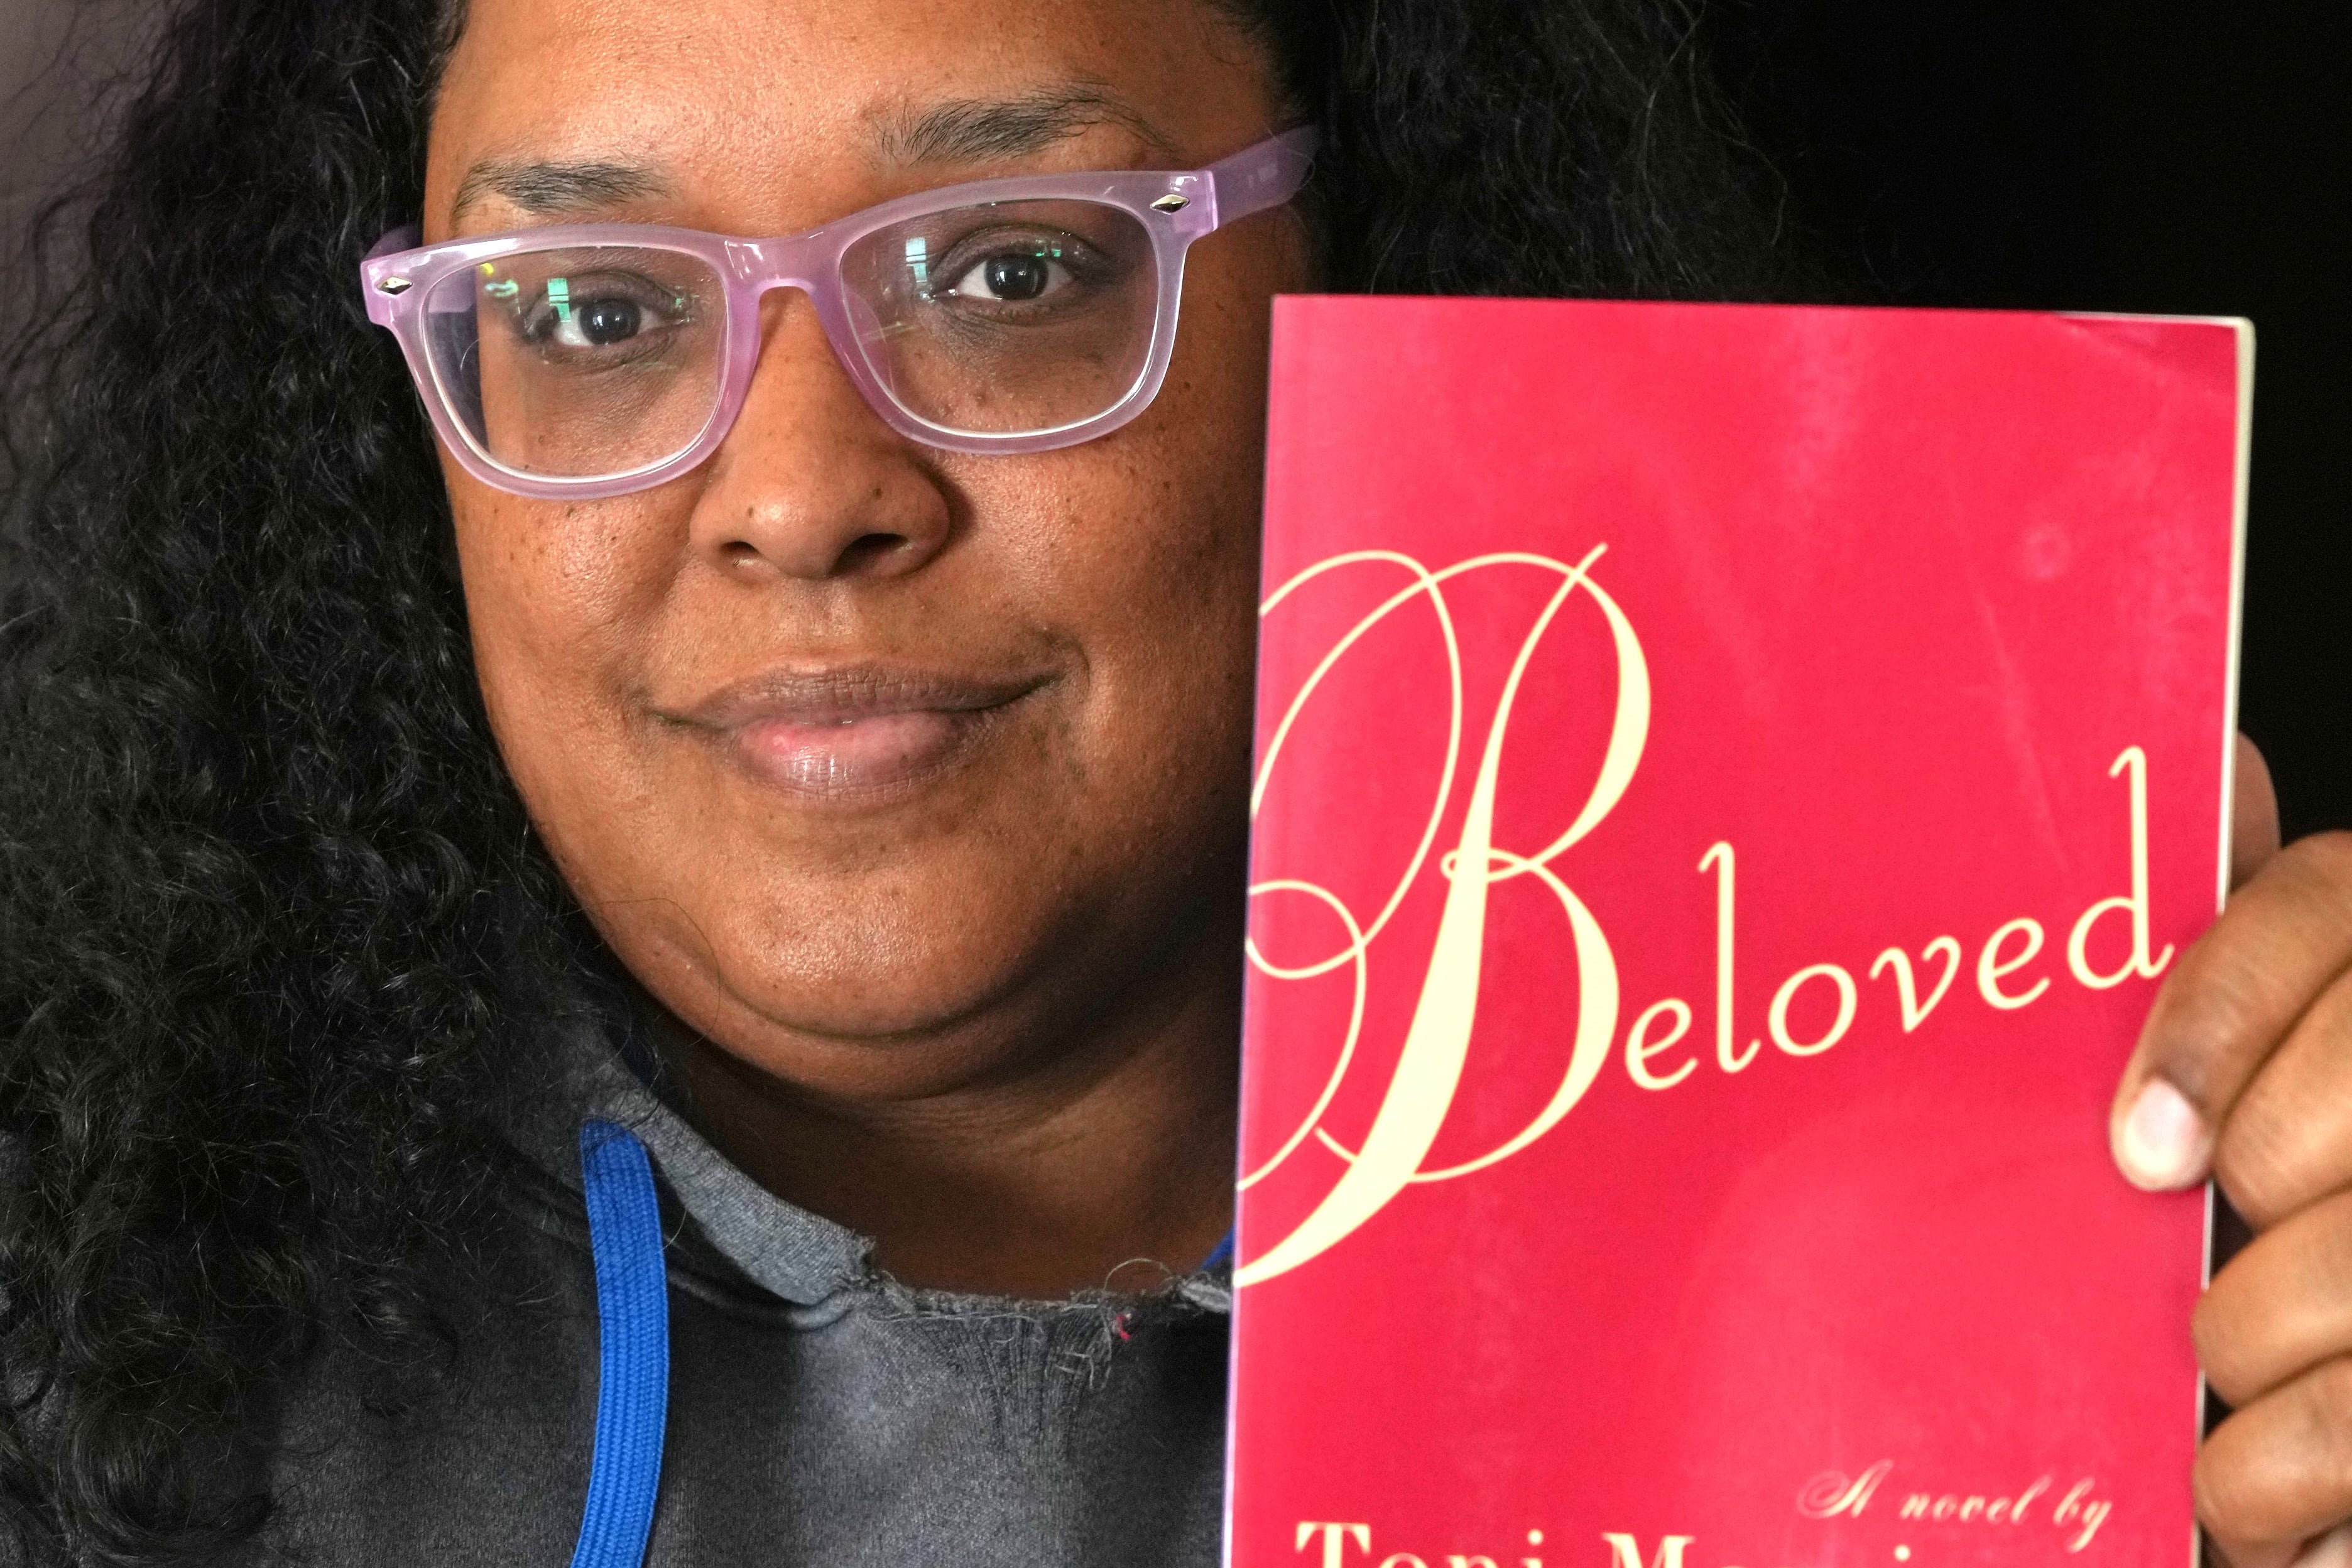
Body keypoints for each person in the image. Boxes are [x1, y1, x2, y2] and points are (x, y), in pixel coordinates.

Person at [0, 0, 2343, 1564]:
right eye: (599, 314)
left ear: (1382, 286)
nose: (803, 490)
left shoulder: (2048, 1261)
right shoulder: (81, 1334)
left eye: (1012, 269)